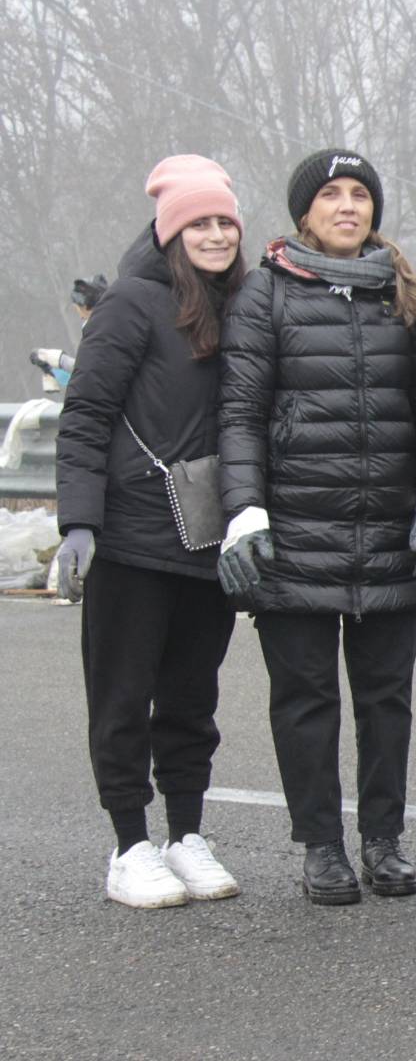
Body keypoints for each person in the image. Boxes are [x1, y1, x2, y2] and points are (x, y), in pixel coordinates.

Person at [216, 149, 416, 905]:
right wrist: (245, 512)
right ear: (304, 212)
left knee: (387, 699)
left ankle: (384, 840)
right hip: (296, 532)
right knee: (305, 698)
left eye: (360, 195)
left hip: (388, 532)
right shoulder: (265, 294)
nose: (348, 206)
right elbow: (241, 414)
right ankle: (321, 845)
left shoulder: (405, 296)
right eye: (331, 195)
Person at [52, 155, 246, 909]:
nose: (215, 233)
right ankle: (130, 844)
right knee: (123, 696)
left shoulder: (245, 305)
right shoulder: (131, 305)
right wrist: (79, 522)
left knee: (193, 699)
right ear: (171, 232)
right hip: (131, 540)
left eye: (225, 220)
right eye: (199, 222)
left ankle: (186, 835)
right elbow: (86, 416)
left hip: (207, 538)